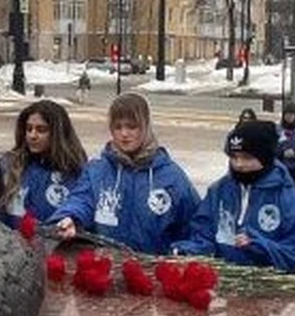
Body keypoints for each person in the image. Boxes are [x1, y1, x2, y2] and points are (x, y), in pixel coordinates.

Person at [48, 93, 204, 255]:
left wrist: (182, 252)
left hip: (152, 272)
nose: (124, 134)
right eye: (118, 127)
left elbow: (197, 226)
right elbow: (81, 200)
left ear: (146, 127)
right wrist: (71, 217)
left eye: (132, 126)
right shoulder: (97, 171)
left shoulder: (171, 176)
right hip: (106, 270)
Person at [171, 119, 295, 273]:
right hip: (225, 281)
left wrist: (260, 246)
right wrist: (188, 251)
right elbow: (202, 234)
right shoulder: (219, 191)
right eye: (234, 157)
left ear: (264, 157)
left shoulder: (287, 197)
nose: (238, 164)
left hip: (270, 285)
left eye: (247, 157)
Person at [0, 100, 88, 229]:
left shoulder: (77, 171)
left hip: (56, 250)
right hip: (11, 248)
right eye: (29, 129)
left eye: (41, 130)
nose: (32, 135)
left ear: (58, 133)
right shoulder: (9, 165)